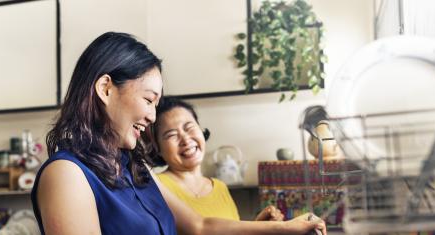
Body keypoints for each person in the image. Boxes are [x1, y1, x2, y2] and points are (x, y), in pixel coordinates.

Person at [31, 31, 327, 235]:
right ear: (105, 88)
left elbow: (199, 226)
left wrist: (284, 228)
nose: (151, 115)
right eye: (148, 100)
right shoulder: (67, 175)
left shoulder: (133, 168)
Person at [152, 97, 284, 221]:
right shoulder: (157, 186)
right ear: (157, 148)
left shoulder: (220, 187)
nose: (186, 139)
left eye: (190, 128)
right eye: (172, 135)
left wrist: (259, 226)